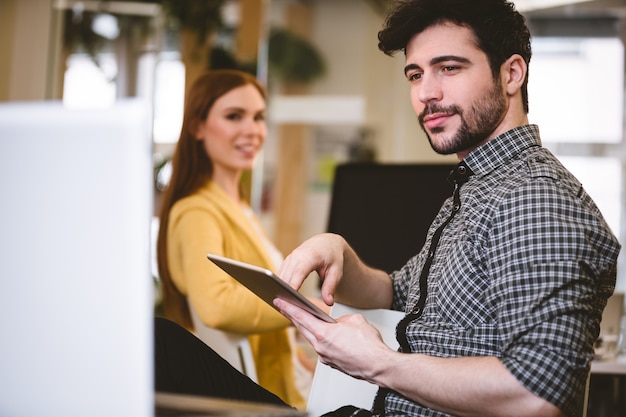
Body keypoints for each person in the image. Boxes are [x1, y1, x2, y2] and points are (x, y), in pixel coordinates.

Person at [155, 2, 621, 417]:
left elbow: (538, 395)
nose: (426, 93)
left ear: (512, 73)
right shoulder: (478, 188)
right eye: (416, 74)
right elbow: (398, 294)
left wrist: (378, 363)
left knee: (159, 350)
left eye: (449, 68)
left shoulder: (536, 198)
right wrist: (340, 253)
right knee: (162, 346)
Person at [156, 69, 313, 409]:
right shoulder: (197, 211)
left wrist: (298, 357)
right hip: (256, 396)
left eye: (258, 117)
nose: (252, 130)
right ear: (197, 127)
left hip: (284, 377)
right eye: (234, 116)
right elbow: (217, 305)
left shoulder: (238, 207)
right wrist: (309, 311)